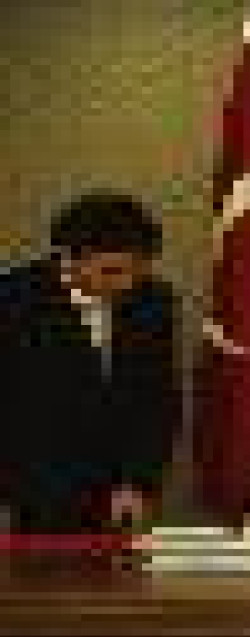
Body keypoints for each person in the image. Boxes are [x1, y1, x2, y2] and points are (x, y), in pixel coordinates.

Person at [0, 192, 181, 532]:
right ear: (67, 259)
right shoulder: (12, 300)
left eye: (137, 271)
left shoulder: (154, 301)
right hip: (26, 490)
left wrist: (137, 481)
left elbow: (157, 399)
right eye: (112, 272)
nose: (127, 284)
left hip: (115, 495)